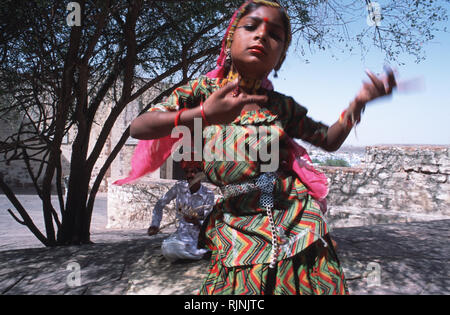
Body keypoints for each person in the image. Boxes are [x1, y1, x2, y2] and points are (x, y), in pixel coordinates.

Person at [129, 0, 396, 295]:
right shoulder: (200, 93)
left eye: (275, 35)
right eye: (251, 26)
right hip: (235, 224)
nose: (261, 36)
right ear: (230, 40)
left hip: (296, 223)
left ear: (280, 57)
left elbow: (328, 140)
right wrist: (203, 114)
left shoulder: (281, 106)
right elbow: (139, 127)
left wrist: (357, 105)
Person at [147, 160, 215, 262]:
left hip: (198, 236)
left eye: (193, 172)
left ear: (201, 175)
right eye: (187, 172)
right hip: (181, 235)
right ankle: (200, 254)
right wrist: (154, 224)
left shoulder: (208, 194)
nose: (189, 175)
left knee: (170, 250)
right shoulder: (179, 187)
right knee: (167, 248)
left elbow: (208, 222)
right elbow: (160, 204)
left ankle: (198, 252)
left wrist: (196, 221)